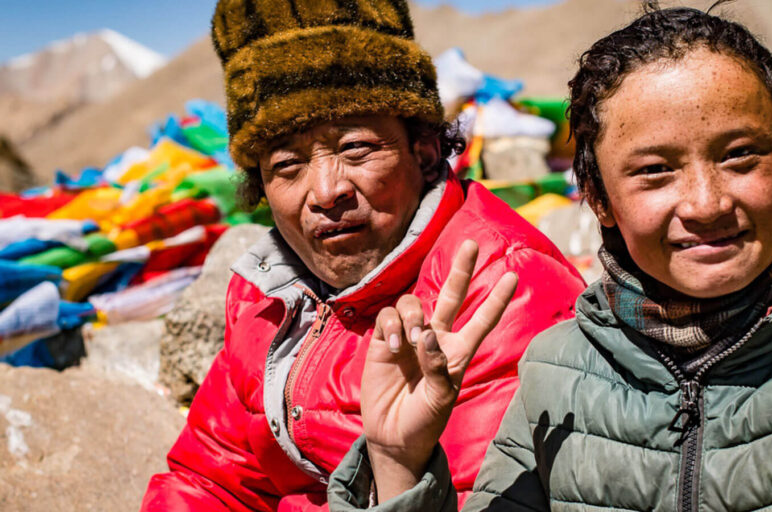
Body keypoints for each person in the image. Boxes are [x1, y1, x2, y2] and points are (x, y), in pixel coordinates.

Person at [326, 5, 772, 511]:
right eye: (654, 172)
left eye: (741, 156)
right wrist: (398, 460)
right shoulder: (558, 369)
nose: (706, 203)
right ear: (598, 198)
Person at [141, 0, 585, 510]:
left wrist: (396, 466)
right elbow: (209, 479)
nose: (326, 191)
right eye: (287, 164)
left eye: (354, 148)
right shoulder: (268, 290)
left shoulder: (504, 290)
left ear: (422, 150)